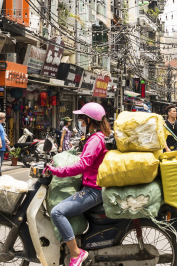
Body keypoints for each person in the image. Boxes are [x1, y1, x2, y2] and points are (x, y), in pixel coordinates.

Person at [48, 103, 110, 266]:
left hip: (93, 190)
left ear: (90, 121)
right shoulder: (98, 137)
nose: (81, 123)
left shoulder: (96, 139)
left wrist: (56, 171)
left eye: (82, 120)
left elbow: (83, 164)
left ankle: (76, 253)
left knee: (57, 212)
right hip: (94, 187)